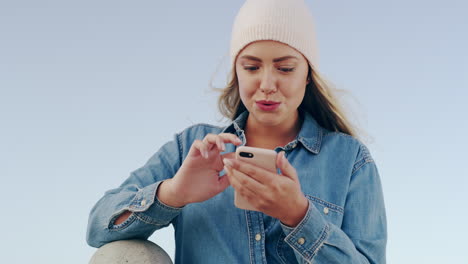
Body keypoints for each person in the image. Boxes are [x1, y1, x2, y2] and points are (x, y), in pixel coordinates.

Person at [86, 0, 387, 263]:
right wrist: (174, 193)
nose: (267, 84)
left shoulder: (349, 160)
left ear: (308, 74)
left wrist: (299, 216)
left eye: (285, 68)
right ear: (237, 72)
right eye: (252, 67)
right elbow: (98, 226)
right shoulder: (192, 148)